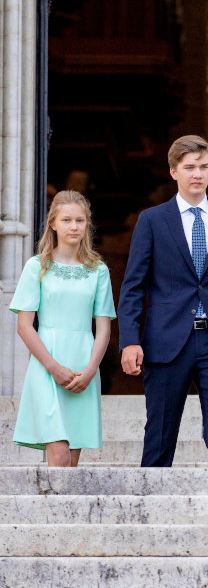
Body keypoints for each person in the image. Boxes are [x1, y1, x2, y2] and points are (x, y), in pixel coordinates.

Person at [118, 135, 208, 468]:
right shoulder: (152, 220)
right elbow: (133, 287)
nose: (198, 174)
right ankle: (148, 515)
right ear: (173, 171)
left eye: (204, 167)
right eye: (190, 167)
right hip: (166, 341)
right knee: (160, 440)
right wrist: (129, 341)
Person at [10, 190, 115, 467]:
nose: (73, 226)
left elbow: (103, 327)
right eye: (66, 220)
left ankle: (57, 510)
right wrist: (53, 367)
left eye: (80, 220)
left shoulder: (98, 270)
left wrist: (91, 369)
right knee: (59, 454)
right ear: (53, 223)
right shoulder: (37, 267)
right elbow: (24, 325)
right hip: (47, 365)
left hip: (83, 364)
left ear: (87, 224)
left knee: (73, 462)